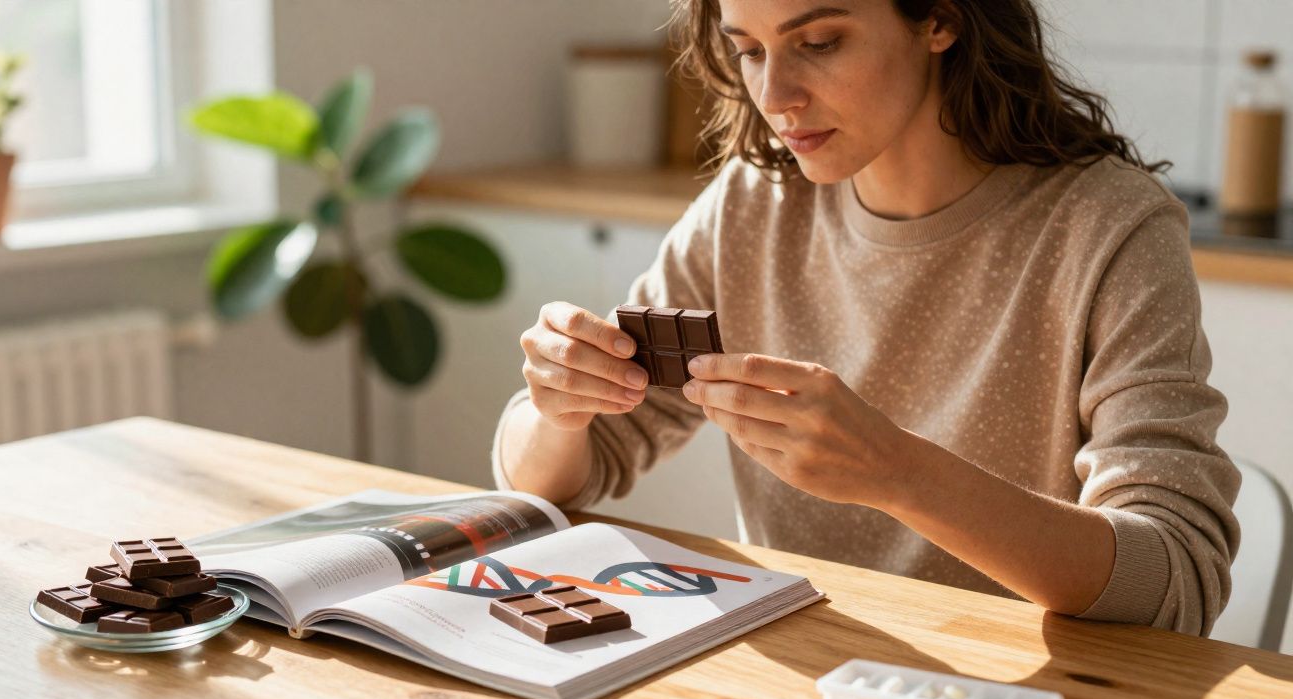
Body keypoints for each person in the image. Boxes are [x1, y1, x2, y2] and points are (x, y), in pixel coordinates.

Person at [491, 0, 1241, 636]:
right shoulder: (752, 204)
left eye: (819, 42)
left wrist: (899, 474)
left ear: (940, 20)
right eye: (749, 50)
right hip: (801, 680)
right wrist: (559, 408)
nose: (775, 95)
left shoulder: (1109, 228)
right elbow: (548, 480)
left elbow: (1175, 579)